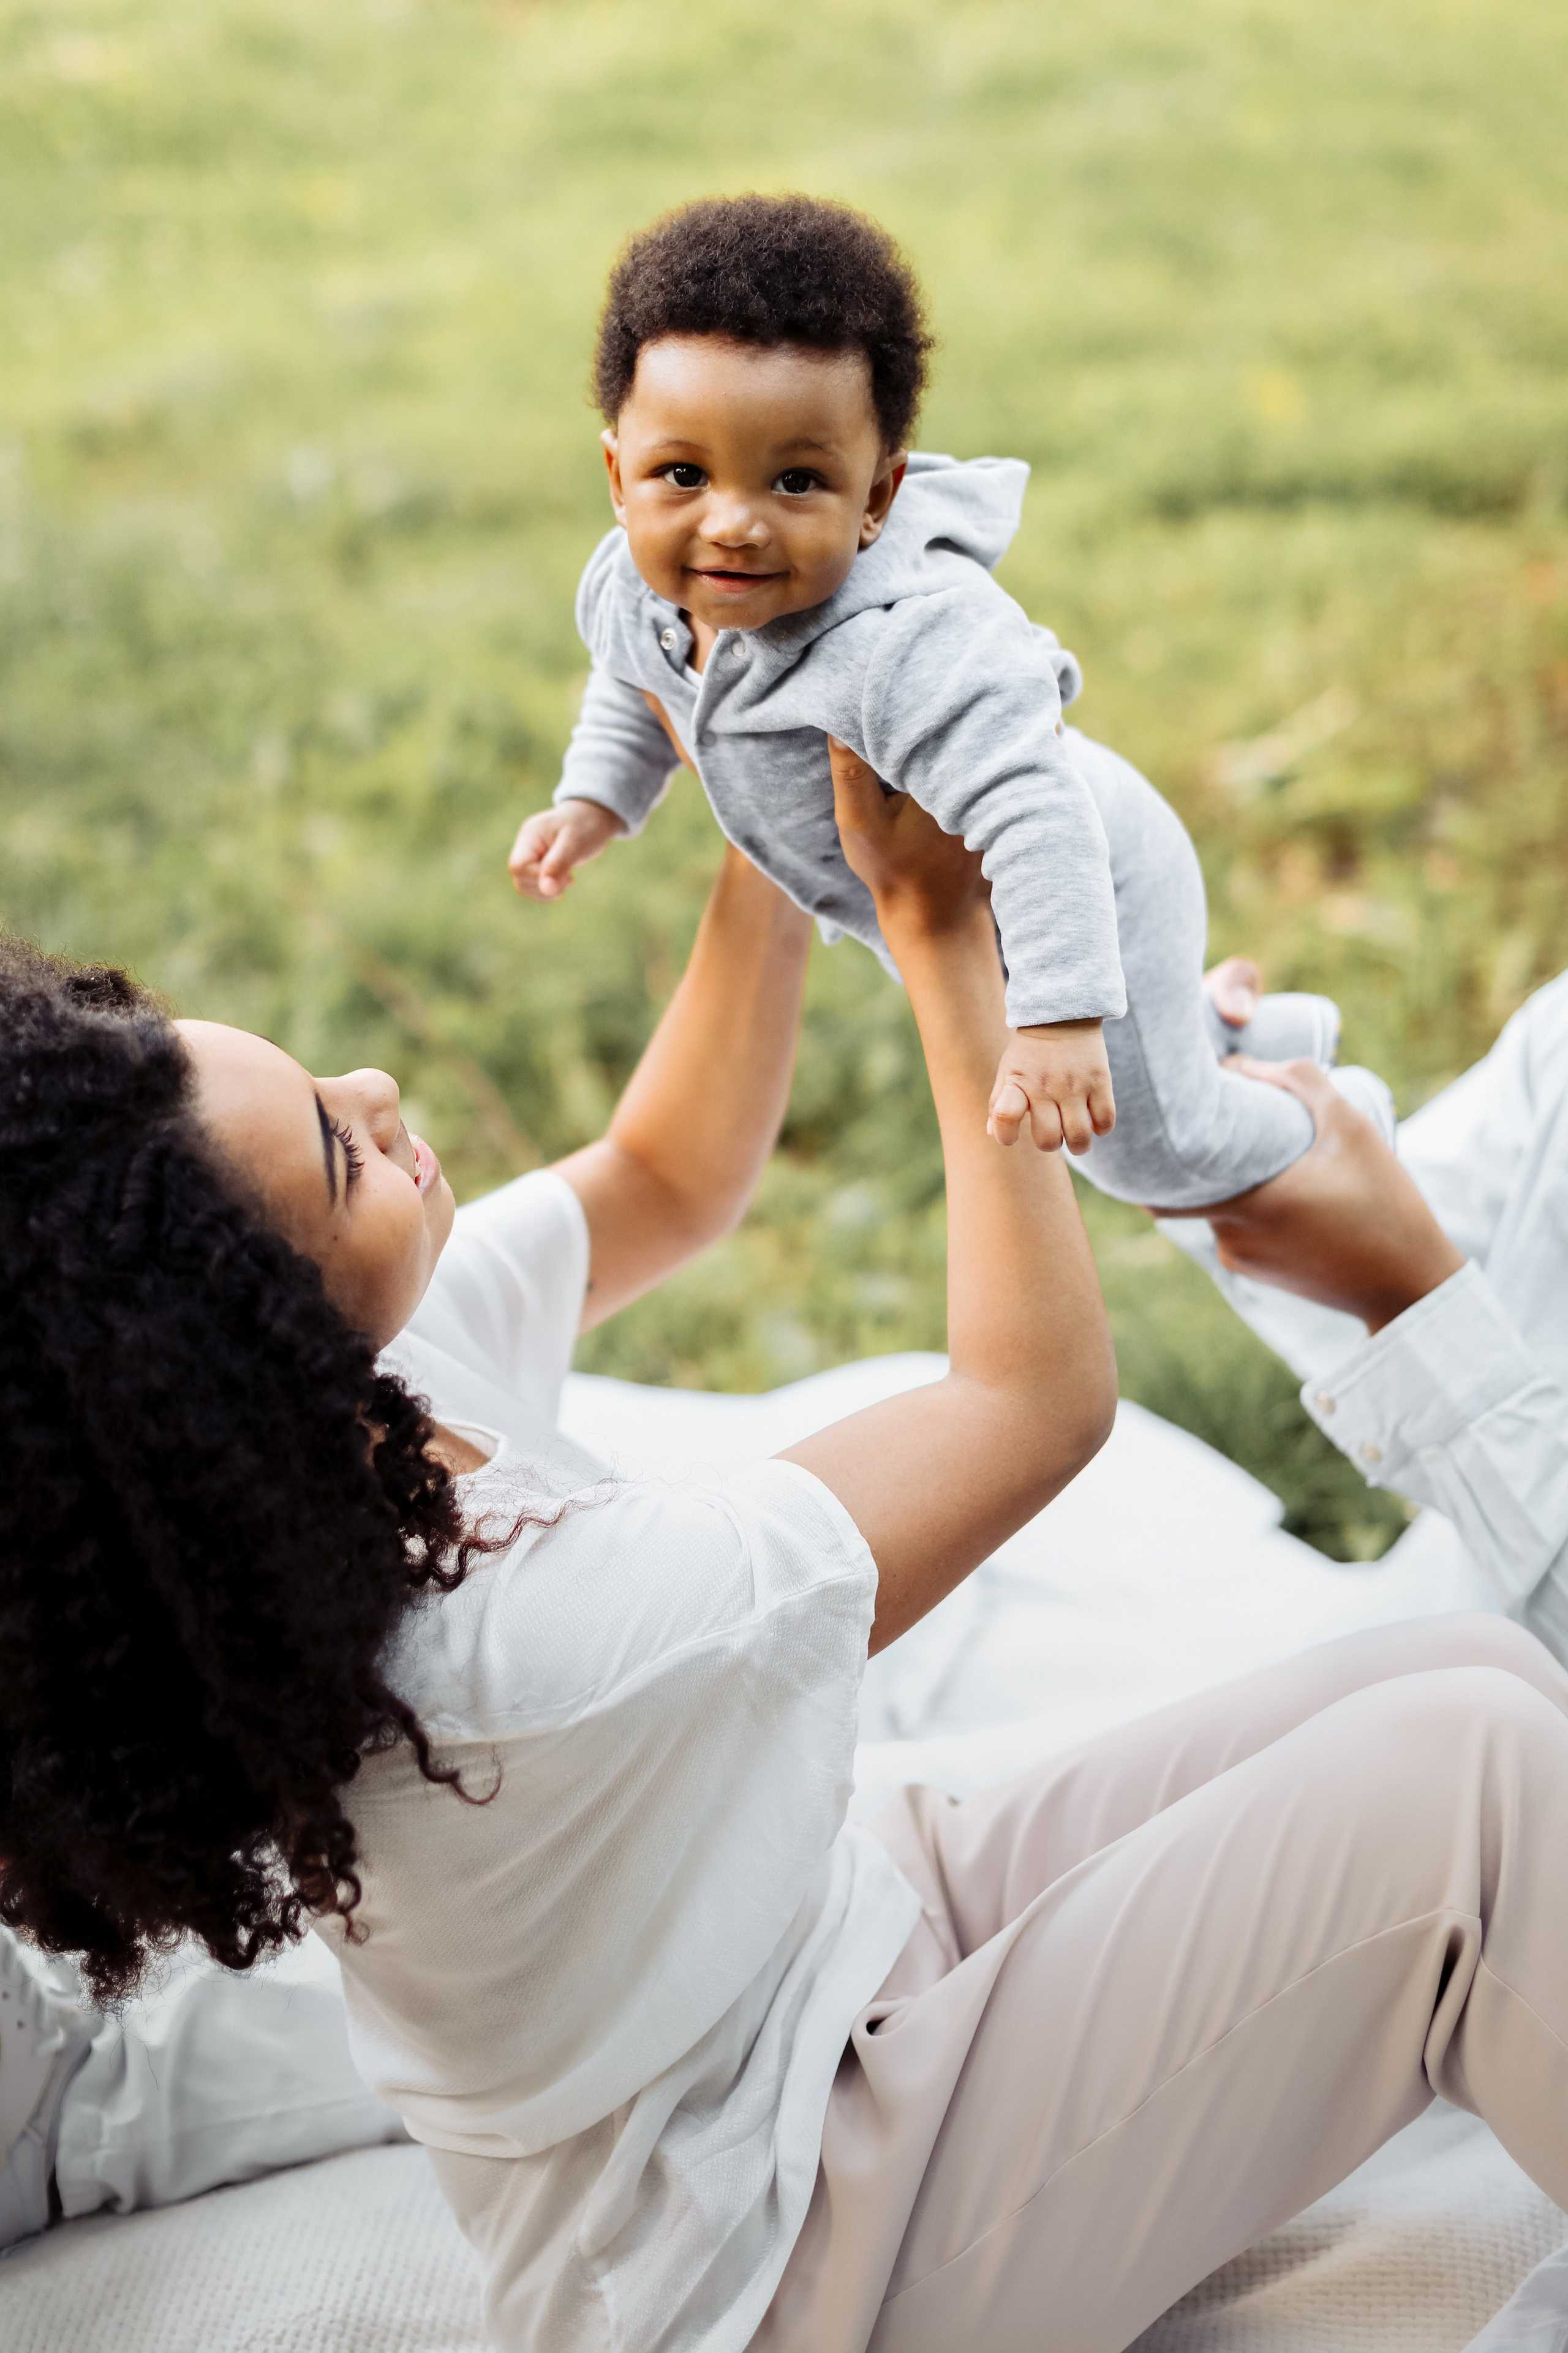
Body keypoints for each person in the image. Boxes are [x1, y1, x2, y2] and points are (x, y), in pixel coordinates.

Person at [9, 756, 1568, 2353]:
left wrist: (767, 801)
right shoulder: (519, 1645)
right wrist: (947, 946)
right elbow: (1032, 1404)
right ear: (254, 1363)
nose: (376, 1089)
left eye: (322, 1082)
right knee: (1479, 1784)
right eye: (340, 1154)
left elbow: (667, 1175)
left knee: (1472, 1666)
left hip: (825, 1960)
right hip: (789, 2259)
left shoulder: (361, 1413)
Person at [508, 191, 1393, 1206]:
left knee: (1152, 1154)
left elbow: (1035, 813)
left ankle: (1340, 1121)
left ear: (877, 498)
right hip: (953, 897)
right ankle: (1270, 1040)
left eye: (795, 483)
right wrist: (595, 800)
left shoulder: (913, 641)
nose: (734, 524)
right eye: (683, 473)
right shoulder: (633, 587)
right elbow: (637, 675)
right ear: (618, 476)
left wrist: (1058, 1020)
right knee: (1148, 1074)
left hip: (1080, 879)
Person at [1172, 955, 1568, 1658]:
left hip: (1503, 1700)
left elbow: (1414, 1265)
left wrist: (1413, 1302)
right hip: (1417, 1623)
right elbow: (1422, 1221)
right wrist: (1225, 1117)